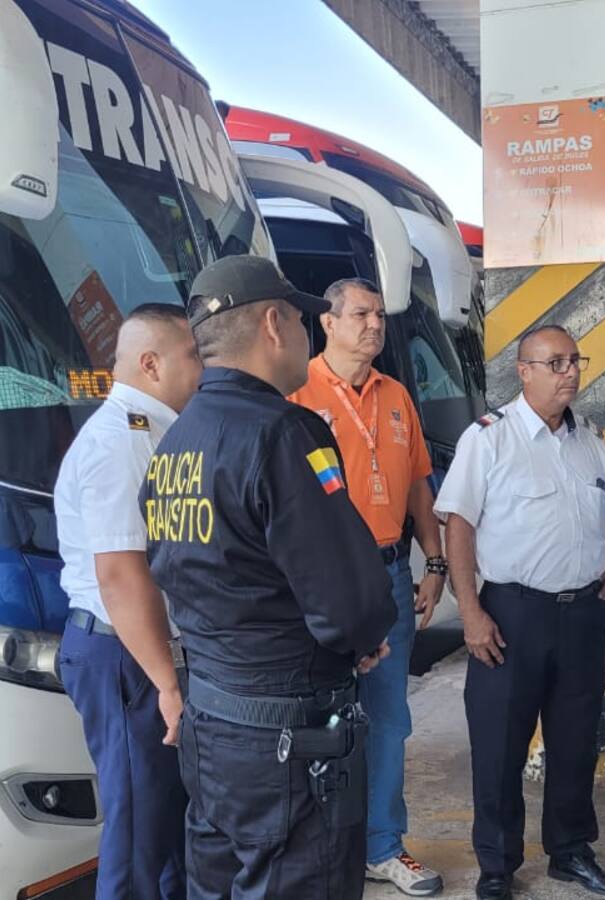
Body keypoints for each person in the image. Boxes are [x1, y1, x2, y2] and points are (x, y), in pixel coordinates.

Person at [142, 255, 398, 898]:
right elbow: (352, 603)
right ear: (276, 324)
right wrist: (365, 635)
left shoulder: (174, 443)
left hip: (213, 731)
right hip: (290, 743)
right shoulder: (288, 433)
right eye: (306, 319)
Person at [434, 324, 605, 900]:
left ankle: (570, 852)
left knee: (575, 743)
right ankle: (498, 865)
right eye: (555, 363)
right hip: (511, 615)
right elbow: (458, 524)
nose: (570, 371)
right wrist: (470, 613)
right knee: (499, 745)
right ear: (523, 371)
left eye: (574, 360)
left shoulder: (588, 440)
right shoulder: (491, 438)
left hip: (581, 617)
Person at [289, 277, 445, 895]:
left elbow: (418, 489)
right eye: (361, 313)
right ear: (327, 323)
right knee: (319, 715)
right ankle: (322, 845)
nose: (375, 324)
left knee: (388, 717)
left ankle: (383, 846)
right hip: (320, 581)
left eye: (379, 314)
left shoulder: (398, 396)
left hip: (388, 574)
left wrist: (433, 565)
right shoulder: (296, 393)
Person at [54, 304, 200, 900]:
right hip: (126, 657)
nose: (204, 367)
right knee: (138, 832)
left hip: (140, 651)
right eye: (193, 355)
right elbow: (119, 573)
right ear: (151, 364)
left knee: (166, 829)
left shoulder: (156, 430)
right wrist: (167, 682)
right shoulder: (121, 441)